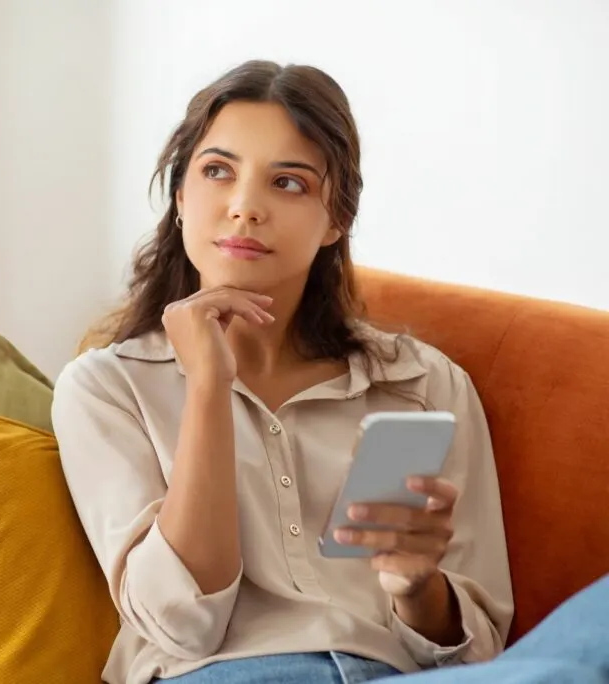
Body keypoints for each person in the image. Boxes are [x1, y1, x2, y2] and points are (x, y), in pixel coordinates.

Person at [50, 60, 608, 684]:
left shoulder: (423, 383)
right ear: (180, 198)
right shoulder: (106, 387)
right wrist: (208, 385)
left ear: (336, 220)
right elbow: (183, 624)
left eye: (287, 183)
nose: (244, 207)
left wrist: (417, 586)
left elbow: (477, 650)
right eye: (217, 171)